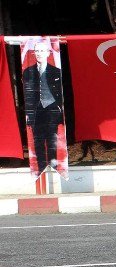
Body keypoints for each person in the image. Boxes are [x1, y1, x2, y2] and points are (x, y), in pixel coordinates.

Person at [21, 39, 63, 173]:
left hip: (51, 110)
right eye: (36, 51)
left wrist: (59, 111)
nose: (39, 53)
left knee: (52, 140)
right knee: (38, 142)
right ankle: (40, 169)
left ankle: (54, 167)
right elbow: (26, 94)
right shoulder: (27, 71)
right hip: (35, 111)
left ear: (48, 53)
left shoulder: (56, 71)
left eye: (41, 50)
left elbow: (60, 94)